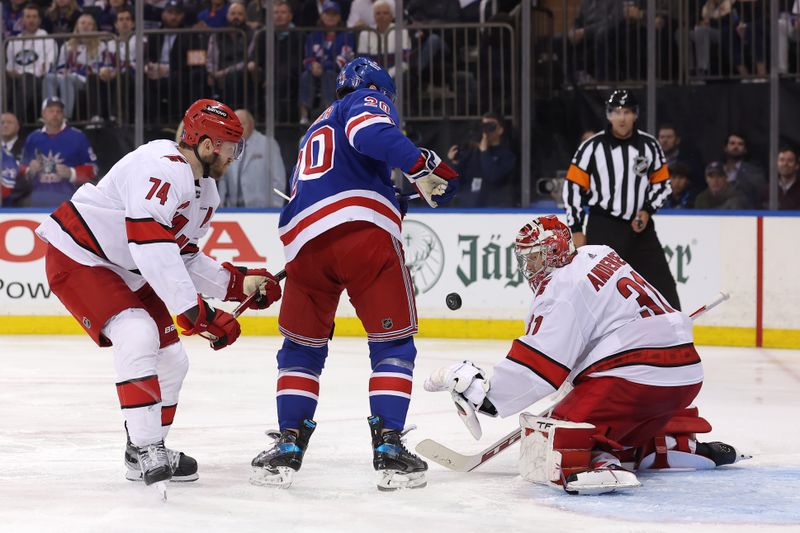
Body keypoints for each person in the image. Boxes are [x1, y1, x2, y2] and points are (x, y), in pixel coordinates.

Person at [34, 99, 282, 492]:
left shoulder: (206, 194)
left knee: (173, 361)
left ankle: (142, 451)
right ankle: (148, 446)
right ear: (206, 145)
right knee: (137, 333)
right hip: (79, 256)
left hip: (126, 267)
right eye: (230, 146)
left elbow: (181, 256)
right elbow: (152, 247)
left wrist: (239, 284)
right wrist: (196, 313)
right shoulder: (159, 164)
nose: (235, 155)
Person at [249, 58, 459, 491]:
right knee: (393, 344)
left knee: (301, 349)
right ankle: (388, 446)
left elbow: (336, 180)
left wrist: (394, 193)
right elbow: (372, 133)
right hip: (363, 240)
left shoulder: (315, 128)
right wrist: (420, 166)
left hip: (305, 247)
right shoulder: (364, 101)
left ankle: (289, 443)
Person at [425, 215, 747, 495]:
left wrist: (486, 397)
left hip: (637, 374)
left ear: (553, 254)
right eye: (525, 259)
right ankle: (675, 447)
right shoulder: (598, 253)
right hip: (685, 372)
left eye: (535, 258)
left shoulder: (561, 290)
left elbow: (541, 365)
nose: (529, 267)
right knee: (610, 407)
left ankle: (599, 461)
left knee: (558, 430)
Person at [562, 90, 681, 310]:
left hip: (640, 227)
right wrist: (576, 228)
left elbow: (662, 184)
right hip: (603, 225)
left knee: (662, 286)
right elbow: (572, 188)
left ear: (635, 115)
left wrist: (647, 210)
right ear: (608, 115)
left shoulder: (650, 145)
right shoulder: (591, 147)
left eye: (627, 112)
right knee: (597, 290)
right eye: (617, 112)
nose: (622, 118)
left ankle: (673, 331)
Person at [19, 97, 98, 207]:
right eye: (51, 111)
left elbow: (93, 169)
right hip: (37, 202)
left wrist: (72, 173)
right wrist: (29, 170)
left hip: (70, 201)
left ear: (63, 115)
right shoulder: (33, 138)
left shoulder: (78, 137)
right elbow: (19, 169)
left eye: (59, 111)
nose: (55, 114)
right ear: (43, 114)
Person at [298, 1, 355, 125]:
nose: (330, 17)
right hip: (315, 72)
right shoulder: (313, 36)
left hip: (337, 73)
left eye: (334, 14)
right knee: (305, 75)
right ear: (322, 16)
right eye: (327, 14)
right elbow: (307, 57)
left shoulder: (346, 36)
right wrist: (311, 65)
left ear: (339, 17)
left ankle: (328, 113)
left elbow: (343, 60)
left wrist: (322, 66)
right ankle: (304, 115)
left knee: (328, 74)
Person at [43, 13, 106, 120]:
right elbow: (60, 66)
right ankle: (47, 114)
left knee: (67, 78)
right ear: (77, 26)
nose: (85, 26)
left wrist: (77, 71)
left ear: (94, 28)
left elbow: (98, 67)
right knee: (49, 77)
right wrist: (64, 71)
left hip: (84, 79)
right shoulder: (67, 45)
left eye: (89, 24)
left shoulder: (100, 46)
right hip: (67, 76)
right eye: (82, 23)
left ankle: (64, 116)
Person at [218, 108, 286, 207]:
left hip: (263, 212)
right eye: (235, 126)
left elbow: (279, 179)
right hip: (232, 212)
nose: (238, 129)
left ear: (251, 124)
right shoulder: (228, 147)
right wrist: (221, 207)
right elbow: (223, 179)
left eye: (242, 124)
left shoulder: (267, 144)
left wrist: (275, 208)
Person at [446, 112, 517, 207]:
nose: (486, 129)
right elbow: (455, 181)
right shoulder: (472, 152)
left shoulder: (507, 156)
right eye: (484, 125)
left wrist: (484, 152)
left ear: (500, 130)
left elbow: (493, 176)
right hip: (469, 207)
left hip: (496, 210)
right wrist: (454, 162)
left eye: (491, 125)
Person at [6, 3, 58, 123]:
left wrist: (23, 73)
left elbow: (46, 68)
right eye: (28, 17)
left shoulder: (48, 39)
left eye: (34, 17)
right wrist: (12, 73)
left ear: (39, 20)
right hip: (16, 79)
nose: (31, 20)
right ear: (22, 20)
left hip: (36, 80)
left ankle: (15, 122)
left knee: (26, 78)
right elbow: (9, 67)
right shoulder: (13, 41)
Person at [720, 132, 765, 209]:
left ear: (745, 150)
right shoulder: (716, 170)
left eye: (740, 144)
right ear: (725, 148)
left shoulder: (754, 171)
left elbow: (758, 193)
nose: (736, 146)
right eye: (732, 143)